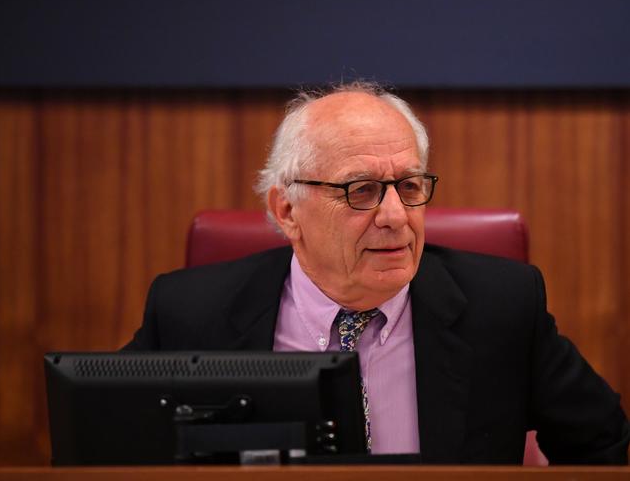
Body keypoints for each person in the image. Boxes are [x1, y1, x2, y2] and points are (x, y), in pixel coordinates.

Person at [124, 82, 629, 464]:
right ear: (287, 211)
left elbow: (608, 450)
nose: (394, 216)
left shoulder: (503, 308)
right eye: (360, 190)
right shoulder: (190, 314)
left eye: (408, 187)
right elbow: (102, 456)